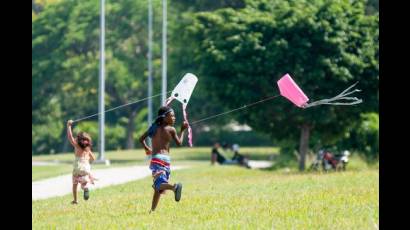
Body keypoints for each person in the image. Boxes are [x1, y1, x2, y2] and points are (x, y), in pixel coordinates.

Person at [139, 106, 188, 213]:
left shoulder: (153, 128)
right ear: (164, 117)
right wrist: (183, 130)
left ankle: (174, 187)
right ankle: (152, 211)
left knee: (158, 184)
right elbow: (179, 143)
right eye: (172, 115)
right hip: (166, 160)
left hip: (157, 159)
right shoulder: (172, 130)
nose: (174, 118)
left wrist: (146, 148)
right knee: (158, 188)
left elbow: (141, 139)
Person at [67, 120, 97, 204]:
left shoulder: (76, 146)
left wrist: (69, 126)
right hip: (86, 167)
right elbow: (93, 158)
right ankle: (85, 188)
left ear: (78, 140)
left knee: (75, 184)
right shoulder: (87, 149)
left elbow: (70, 137)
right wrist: (87, 161)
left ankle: (75, 200)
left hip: (77, 167)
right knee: (84, 183)